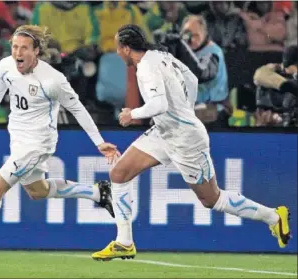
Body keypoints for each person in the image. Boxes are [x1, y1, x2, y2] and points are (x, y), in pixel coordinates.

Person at [91, 24, 291, 261]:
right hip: (165, 132)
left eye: (117, 48)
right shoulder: (161, 55)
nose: (116, 53)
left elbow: (159, 105)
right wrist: (184, 109)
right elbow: (192, 79)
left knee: (212, 199)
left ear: (126, 48)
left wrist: (131, 115)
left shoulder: (146, 68)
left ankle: (274, 217)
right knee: (119, 173)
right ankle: (124, 242)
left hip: (186, 140)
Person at [0, 25, 120, 264]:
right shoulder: (5, 67)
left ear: (36, 51)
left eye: (24, 48)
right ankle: (98, 192)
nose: (17, 52)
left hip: (38, 143)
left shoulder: (53, 80)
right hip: (18, 139)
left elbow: (78, 109)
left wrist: (99, 142)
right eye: (14, 46)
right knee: (38, 191)